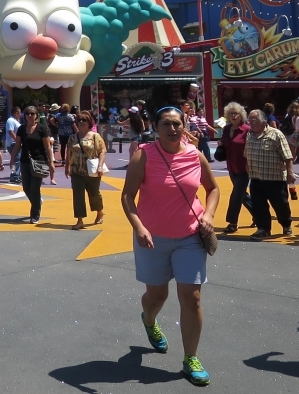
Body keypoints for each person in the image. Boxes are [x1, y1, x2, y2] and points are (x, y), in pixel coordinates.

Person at [122, 106, 219, 387]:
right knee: (157, 297)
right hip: (152, 239)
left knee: (192, 297)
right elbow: (128, 196)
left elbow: (213, 189)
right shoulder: (144, 155)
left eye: (177, 124)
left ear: (184, 125)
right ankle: (149, 320)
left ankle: (191, 358)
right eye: (166, 123)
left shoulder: (194, 154)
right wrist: (139, 226)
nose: (172, 129)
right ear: (155, 126)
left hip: (190, 237)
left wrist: (209, 215)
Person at [244, 109, 295, 240]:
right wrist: (247, 168)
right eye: (250, 121)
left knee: (280, 204)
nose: (251, 123)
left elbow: (288, 156)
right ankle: (263, 228)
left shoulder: (276, 134)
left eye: (254, 121)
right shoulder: (249, 135)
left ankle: (286, 224)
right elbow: (247, 153)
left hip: (275, 178)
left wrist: (290, 172)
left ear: (263, 121)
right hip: (256, 177)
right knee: (259, 205)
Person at [65, 110, 107, 229]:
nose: (81, 122)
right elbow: (69, 152)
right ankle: (80, 220)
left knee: (94, 194)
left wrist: (100, 166)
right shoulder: (72, 137)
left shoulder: (95, 136)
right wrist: (67, 166)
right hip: (76, 171)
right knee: (78, 195)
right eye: (79, 120)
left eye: (84, 120)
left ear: (89, 122)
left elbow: (102, 151)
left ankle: (99, 212)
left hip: (92, 170)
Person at [219, 102, 254, 234]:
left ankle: (232, 223)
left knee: (235, 195)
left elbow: (250, 148)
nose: (233, 116)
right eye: (231, 113)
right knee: (242, 195)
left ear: (241, 115)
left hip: (244, 167)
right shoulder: (227, 129)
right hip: (231, 166)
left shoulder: (247, 130)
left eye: (236, 113)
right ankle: (258, 214)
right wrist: (221, 143)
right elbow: (225, 142)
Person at [18, 107, 53, 223]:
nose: (30, 115)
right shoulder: (21, 129)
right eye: (27, 113)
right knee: (26, 187)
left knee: (34, 188)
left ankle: (35, 214)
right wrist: (13, 159)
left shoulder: (42, 128)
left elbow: (47, 146)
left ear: (36, 115)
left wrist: (51, 161)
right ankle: (37, 201)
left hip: (39, 161)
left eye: (32, 113)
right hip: (25, 161)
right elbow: (17, 145)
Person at [6, 106, 22, 182]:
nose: (20, 114)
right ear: (16, 113)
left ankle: (17, 174)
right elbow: (10, 132)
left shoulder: (16, 121)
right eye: (19, 112)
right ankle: (14, 176)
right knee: (17, 160)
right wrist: (17, 140)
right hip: (13, 144)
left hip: (16, 143)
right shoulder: (11, 120)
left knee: (17, 160)